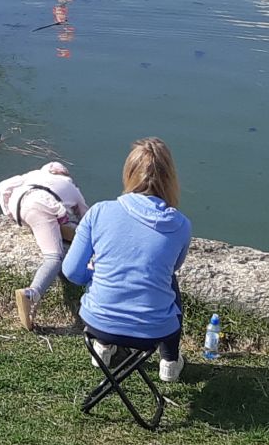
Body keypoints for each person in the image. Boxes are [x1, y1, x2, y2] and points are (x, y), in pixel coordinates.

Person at [63, 138, 194, 383]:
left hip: (97, 321)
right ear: (170, 179)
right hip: (154, 331)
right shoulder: (181, 225)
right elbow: (172, 267)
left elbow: (71, 271)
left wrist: (94, 272)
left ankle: (103, 347)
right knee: (169, 281)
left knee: (108, 272)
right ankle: (169, 361)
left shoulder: (99, 212)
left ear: (129, 173)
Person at [0, 161, 89, 330]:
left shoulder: (32, 175)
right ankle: (32, 294)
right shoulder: (70, 186)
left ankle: (55, 225)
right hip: (42, 206)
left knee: (49, 220)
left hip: (19, 206)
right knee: (54, 257)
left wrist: (8, 212)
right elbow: (87, 217)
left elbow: (2, 187)